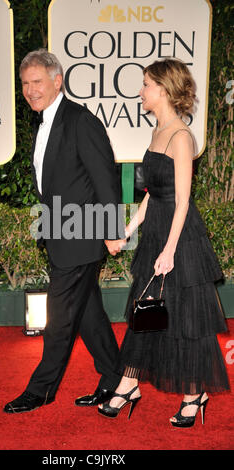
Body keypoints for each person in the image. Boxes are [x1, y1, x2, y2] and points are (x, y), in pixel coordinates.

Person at [98, 58, 230, 427]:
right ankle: (130, 382)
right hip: (157, 230)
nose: (141, 91)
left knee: (186, 317)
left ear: (165, 89)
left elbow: (183, 200)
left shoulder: (181, 137)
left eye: (146, 84)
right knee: (147, 312)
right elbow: (153, 194)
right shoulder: (158, 131)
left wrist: (169, 250)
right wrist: (128, 229)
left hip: (180, 239)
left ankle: (194, 393)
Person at [4, 49, 126, 414]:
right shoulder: (44, 122)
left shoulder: (79, 121)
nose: (30, 90)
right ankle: (117, 378)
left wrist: (110, 231)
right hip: (60, 233)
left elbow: (106, 180)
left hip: (82, 235)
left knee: (58, 316)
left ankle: (41, 390)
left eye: (37, 81)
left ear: (58, 81)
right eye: (25, 84)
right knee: (88, 314)